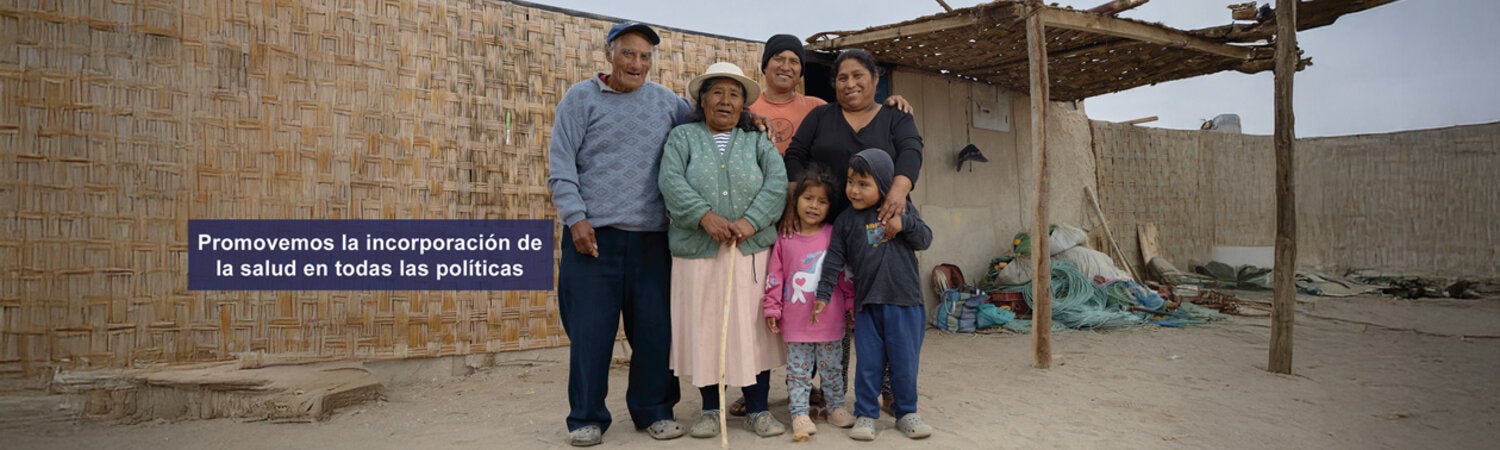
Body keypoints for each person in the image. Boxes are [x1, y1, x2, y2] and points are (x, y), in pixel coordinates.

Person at [547, 21, 691, 447]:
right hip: (593, 239)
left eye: (645, 56)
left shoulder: (668, 103)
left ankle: (655, 411)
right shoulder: (580, 99)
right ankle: (586, 418)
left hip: (652, 239)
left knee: (654, 332)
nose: (637, 63)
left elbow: (707, 121)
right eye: (629, 53)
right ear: (609, 53)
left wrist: (750, 118)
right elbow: (561, 165)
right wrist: (575, 219)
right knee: (590, 333)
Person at [780, 47, 925, 416]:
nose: (850, 83)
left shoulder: (895, 115)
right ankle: (833, 393)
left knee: (886, 309)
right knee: (834, 312)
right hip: (831, 231)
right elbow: (795, 153)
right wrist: (796, 197)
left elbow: (911, 150)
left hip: (883, 228)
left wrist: (899, 190)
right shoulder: (821, 116)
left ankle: (891, 392)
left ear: (876, 79)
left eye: (859, 75)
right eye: (842, 77)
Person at [657, 62, 790, 439]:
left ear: (744, 105)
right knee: (706, 327)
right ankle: (711, 410)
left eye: (734, 94)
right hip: (697, 253)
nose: (726, 101)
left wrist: (751, 221)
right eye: (717, 92)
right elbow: (670, 180)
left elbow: (777, 184)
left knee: (751, 329)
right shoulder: (683, 137)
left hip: (748, 252)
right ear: (702, 99)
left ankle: (758, 408)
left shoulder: (756, 140)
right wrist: (702, 216)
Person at [816, 148, 934, 441]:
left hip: (906, 303)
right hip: (867, 304)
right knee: (868, 364)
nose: (854, 190)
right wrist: (822, 293)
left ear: (882, 184)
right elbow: (833, 260)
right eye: (850, 182)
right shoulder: (845, 221)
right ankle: (866, 415)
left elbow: (925, 239)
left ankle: (907, 413)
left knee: (904, 363)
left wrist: (903, 224)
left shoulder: (901, 208)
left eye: (863, 184)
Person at [762, 165, 857, 441]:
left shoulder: (833, 236)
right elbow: (775, 276)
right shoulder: (785, 237)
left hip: (831, 319)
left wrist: (850, 303)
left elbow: (845, 275)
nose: (814, 206)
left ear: (830, 206)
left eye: (822, 201)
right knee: (798, 372)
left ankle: (835, 407)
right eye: (808, 198)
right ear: (796, 200)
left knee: (832, 367)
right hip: (795, 321)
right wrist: (772, 308)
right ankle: (800, 414)